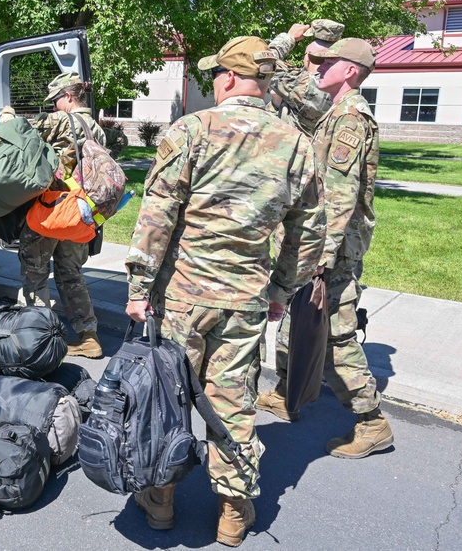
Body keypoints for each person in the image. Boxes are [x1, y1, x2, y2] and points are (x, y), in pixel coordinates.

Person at [124, 36, 325, 546]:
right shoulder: (296, 143)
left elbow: (157, 216)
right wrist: (282, 288)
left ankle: (161, 499)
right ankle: (234, 512)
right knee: (233, 401)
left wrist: (138, 286)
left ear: (231, 78)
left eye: (216, 74)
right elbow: (309, 232)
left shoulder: (190, 130)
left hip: (183, 297)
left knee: (168, 399)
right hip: (246, 299)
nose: (212, 81)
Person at [256, 38, 395, 460]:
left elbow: (339, 194)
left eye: (329, 61)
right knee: (300, 318)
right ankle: (287, 392)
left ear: (350, 70)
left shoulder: (351, 119)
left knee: (334, 331)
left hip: (332, 246)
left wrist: (320, 255)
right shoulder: (331, 111)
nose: (318, 66)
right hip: (315, 240)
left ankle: (372, 422)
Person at [6, 72, 108, 358]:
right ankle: (89, 336)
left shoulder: (63, 120)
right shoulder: (96, 128)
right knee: (70, 273)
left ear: (69, 96)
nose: (53, 106)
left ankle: (36, 341)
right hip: (79, 214)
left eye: (55, 100)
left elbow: (17, 130)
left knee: (35, 271)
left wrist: (6, 113)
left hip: (51, 212)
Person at [266, 19, 345, 138]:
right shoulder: (342, 86)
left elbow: (263, 64)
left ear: (308, 58)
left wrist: (289, 37)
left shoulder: (305, 85)